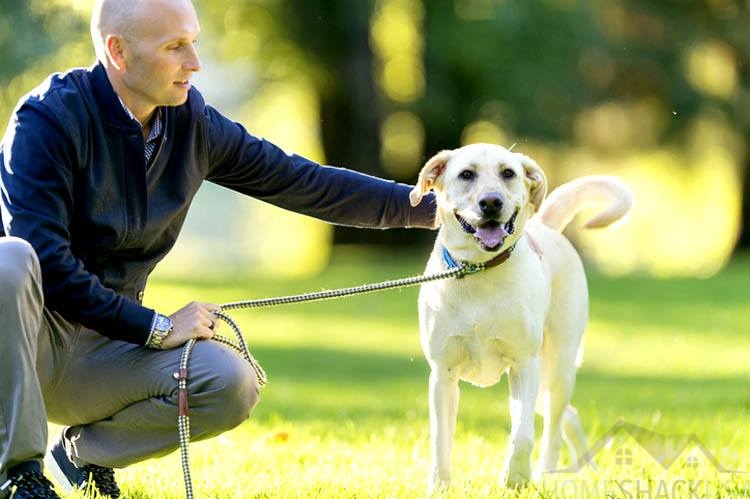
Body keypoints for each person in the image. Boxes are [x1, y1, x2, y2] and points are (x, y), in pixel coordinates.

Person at [0, 0, 436, 497]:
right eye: (175, 47)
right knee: (8, 259)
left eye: (194, 42)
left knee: (231, 381)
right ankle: (19, 474)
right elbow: (47, 263)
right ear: (118, 52)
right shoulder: (47, 120)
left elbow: (305, 181)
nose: (194, 61)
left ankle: (80, 455)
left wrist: (441, 210)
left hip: (104, 350)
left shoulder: (192, 123)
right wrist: (156, 327)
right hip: (23, 343)